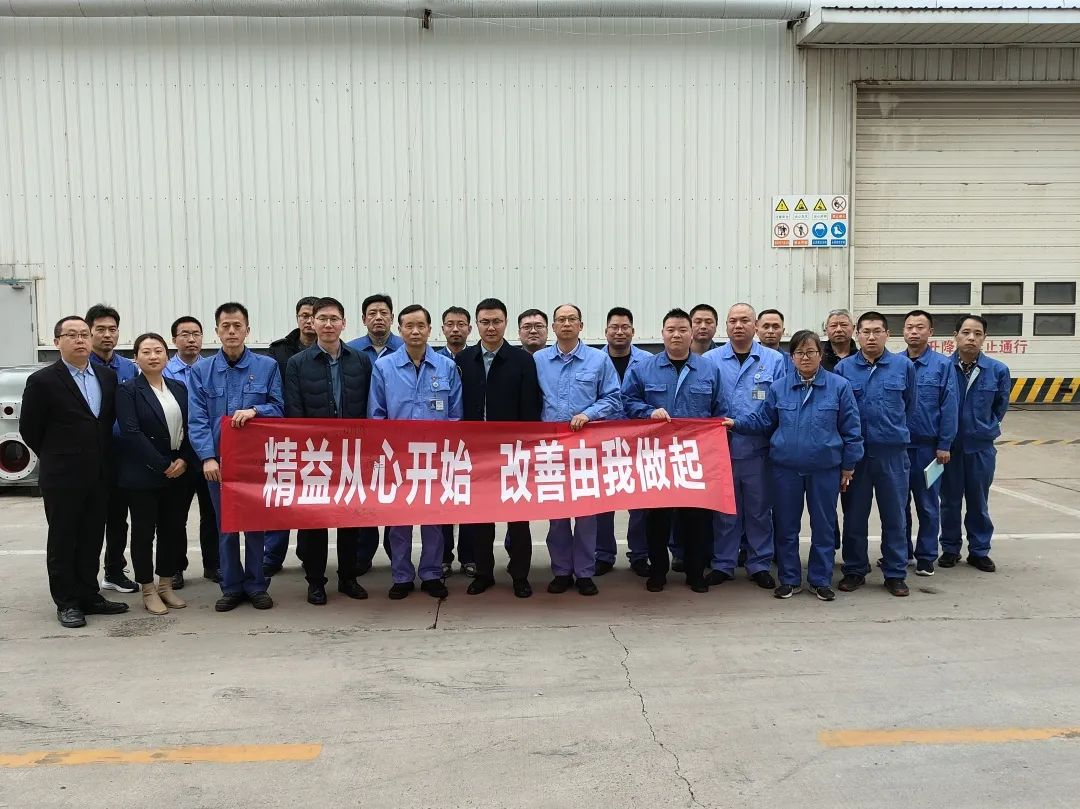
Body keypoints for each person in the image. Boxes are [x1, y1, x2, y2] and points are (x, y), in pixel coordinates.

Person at [724, 331, 863, 600]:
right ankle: (789, 579)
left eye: (811, 352)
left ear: (821, 355)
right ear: (792, 358)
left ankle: (820, 580)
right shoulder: (779, 388)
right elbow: (763, 421)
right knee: (786, 526)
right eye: (799, 353)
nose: (805, 357)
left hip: (824, 468)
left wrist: (849, 465)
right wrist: (735, 423)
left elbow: (851, 429)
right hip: (785, 469)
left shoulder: (839, 387)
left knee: (823, 526)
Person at [20, 316, 128, 628]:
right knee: (64, 539)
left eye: (84, 334)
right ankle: (67, 602)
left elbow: (104, 422)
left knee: (92, 537)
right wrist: (59, 456)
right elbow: (30, 430)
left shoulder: (106, 377)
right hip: (62, 476)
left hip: (99, 474)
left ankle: (89, 595)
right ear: (57, 342)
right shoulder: (43, 381)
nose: (80, 340)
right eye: (72, 335)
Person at [622, 308, 728, 593]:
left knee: (696, 518)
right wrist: (648, 411)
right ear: (662, 333)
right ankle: (658, 572)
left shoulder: (709, 369)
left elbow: (720, 410)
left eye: (682, 329)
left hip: (696, 457)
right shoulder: (643, 369)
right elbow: (627, 402)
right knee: (657, 519)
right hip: (657, 456)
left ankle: (695, 573)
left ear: (691, 333)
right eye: (671, 330)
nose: (676, 335)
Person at [188, 302, 284, 612]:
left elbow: (279, 408)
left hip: (256, 462)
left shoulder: (267, 367)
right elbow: (197, 419)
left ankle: (256, 585)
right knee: (226, 526)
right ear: (216, 331)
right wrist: (207, 457)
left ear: (247, 330)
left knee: (255, 524)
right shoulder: (201, 371)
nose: (231, 331)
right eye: (225, 326)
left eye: (237, 326)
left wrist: (256, 410)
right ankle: (230, 586)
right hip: (219, 463)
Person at [369, 304, 463, 600]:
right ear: (399, 330)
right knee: (399, 519)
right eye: (409, 326)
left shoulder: (446, 366)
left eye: (421, 326)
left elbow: (456, 415)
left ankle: (432, 573)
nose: (415, 331)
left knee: (434, 518)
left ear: (430, 330)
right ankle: (401, 575)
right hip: (398, 457)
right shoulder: (384, 367)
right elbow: (376, 414)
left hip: (435, 457)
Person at [284, 297, 373, 605]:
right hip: (315, 453)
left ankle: (348, 577)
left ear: (344, 323)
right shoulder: (298, 363)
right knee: (314, 521)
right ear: (313, 322)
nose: (328, 324)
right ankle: (315, 582)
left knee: (350, 519)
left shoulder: (360, 360)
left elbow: (368, 405)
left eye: (334, 319)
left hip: (351, 453)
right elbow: (294, 410)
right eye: (322, 318)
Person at [456, 298, 542, 598]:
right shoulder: (463, 360)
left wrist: (527, 448)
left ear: (505, 323)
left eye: (496, 321)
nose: (491, 327)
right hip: (476, 453)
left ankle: (520, 575)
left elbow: (530, 409)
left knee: (517, 518)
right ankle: (484, 573)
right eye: (485, 322)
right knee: (481, 517)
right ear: (475, 326)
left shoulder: (522, 361)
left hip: (513, 452)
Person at [534, 304, 621, 597]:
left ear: (581, 326)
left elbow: (613, 398)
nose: (567, 324)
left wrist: (589, 414)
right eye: (561, 320)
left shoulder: (599, 360)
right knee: (557, 513)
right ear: (553, 327)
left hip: (587, 448)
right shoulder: (539, 360)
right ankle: (561, 571)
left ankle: (584, 572)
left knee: (586, 514)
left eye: (572, 319)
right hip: (552, 449)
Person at [705, 304, 786, 591]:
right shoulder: (710, 360)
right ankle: (723, 563)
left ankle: (759, 564)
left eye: (744, 320)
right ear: (726, 326)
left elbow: (778, 404)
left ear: (755, 326)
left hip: (758, 450)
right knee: (725, 511)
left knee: (759, 510)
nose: (738, 326)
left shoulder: (775, 360)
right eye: (733, 321)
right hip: (720, 450)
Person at [835, 312, 917, 597]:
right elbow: (840, 413)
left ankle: (895, 572)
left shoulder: (903, 367)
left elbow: (909, 406)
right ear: (857, 335)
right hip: (856, 456)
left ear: (887, 334)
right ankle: (855, 569)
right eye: (866, 331)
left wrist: (891, 433)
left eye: (877, 331)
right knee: (854, 516)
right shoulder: (844, 369)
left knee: (895, 516)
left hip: (892, 454)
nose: (871, 337)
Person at [115, 333, 196, 615]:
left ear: (167, 356)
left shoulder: (179, 388)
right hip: (144, 472)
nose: (153, 356)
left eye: (158, 351)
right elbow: (131, 432)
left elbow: (191, 426)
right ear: (135, 358)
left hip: (178, 468)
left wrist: (184, 459)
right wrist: (162, 464)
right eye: (146, 351)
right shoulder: (128, 390)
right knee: (143, 533)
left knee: (172, 530)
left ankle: (166, 584)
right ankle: (148, 589)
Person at [939, 315, 1011, 573]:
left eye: (977, 333)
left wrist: (984, 429)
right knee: (949, 501)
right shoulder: (943, 367)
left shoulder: (998, 370)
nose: (971, 338)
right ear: (955, 335)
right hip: (949, 448)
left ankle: (979, 551)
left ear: (984, 338)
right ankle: (950, 549)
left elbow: (1000, 406)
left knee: (978, 501)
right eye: (966, 332)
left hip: (980, 448)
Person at [347, 293, 405, 573]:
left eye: (384, 313)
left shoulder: (406, 348)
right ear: (363, 319)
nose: (378, 318)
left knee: (396, 497)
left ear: (392, 318)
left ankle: (398, 555)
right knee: (366, 498)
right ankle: (362, 555)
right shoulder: (351, 351)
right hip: (362, 437)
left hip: (398, 439)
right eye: (372, 313)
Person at [898, 310, 958, 577]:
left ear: (930, 332)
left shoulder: (942, 366)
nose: (914, 332)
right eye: (909, 327)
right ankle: (901, 553)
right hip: (898, 449)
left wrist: (944, 444)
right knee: (898, 506)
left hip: (928, 450)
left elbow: (949, 407)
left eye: (920, 327)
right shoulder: (894, 364)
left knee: (928, 504)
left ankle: (926, 556)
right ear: (902, 331)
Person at [263, 296, 319, 576]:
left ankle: (309, 555)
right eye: (304, 315)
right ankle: (272, 556)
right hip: (283, 436)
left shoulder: (333, 350)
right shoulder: (278, 351)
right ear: (297, 318)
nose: (309, 321)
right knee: (281, 497)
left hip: (317, 438)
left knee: (311, 498)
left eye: (313, 316)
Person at [86, 304, 139, 595]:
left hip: (123, 457)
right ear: (89, 332)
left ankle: (115, 571)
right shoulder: (82, 367)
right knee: (92, 520)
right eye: (101, 330)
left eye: (112, 329)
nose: (107, 335)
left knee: (119, 519)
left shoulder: (129, 368)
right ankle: (85, 579)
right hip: (91, 458)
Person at [595, 307, 651, 577]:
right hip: (601, 442)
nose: (619, 332)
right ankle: (603, 554)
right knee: (601, 502)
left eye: (625, 327)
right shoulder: (593, 360)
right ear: (605, 331)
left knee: (640, 502)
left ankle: (639, 554)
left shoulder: (648, 361)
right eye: (614, 327)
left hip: (638, 443)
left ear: (633, 331)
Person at [164, 316, 219, 586]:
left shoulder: (211, 369)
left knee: (212, 513)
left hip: (208, 452)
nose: (191, 339)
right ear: (174, 339)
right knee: (176, 515)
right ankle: (175, 567)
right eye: (184, 334)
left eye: (196, 334)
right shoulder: (163, 371)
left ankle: (214, 565)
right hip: (178, 454)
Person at [436, 306, 473, 577]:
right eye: (450, 324)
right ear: (442, 329)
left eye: (461, 324)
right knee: (444, 502)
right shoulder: (435, 360)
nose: (456, 329)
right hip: (440, 444)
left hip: (472, 441)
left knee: (469, 501)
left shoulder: (475, 358)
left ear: (469, 329)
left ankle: (469, 556)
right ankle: (444, 556)